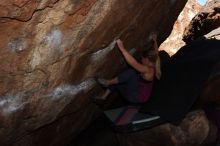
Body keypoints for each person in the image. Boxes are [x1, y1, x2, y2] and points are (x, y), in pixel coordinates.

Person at [95, 33, 161, 104]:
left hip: (136, 97)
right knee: (119, 78)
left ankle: (108, 82)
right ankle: (103, 97)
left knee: (131, 73)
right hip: (136, 91)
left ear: (147, 60)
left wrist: (122, 48)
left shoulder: (149, 70)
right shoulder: (154, 63)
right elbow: (156, 54)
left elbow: (134, 63)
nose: (141, 60)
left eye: (142, 58)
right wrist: (155, 41)